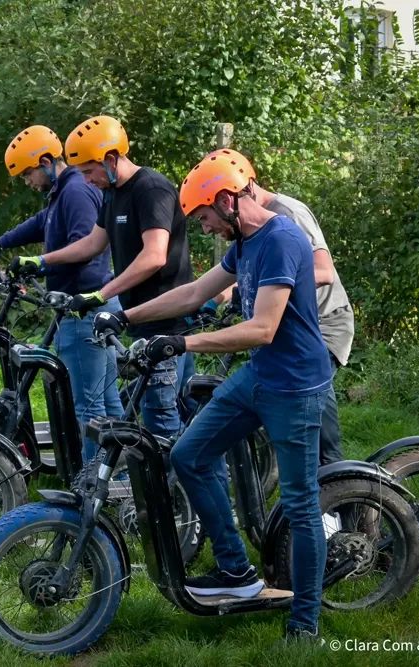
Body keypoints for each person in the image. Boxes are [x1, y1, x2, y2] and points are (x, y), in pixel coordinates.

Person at [93, 150, 329, 643]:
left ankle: (304, 623)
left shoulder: (282, 239)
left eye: (203, 217)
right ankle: (237, 574)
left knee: (301, 503)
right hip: (261, 376)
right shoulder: (243, 242)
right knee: (190, 455)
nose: (203, 228)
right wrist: (126, 315)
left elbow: (263, 328)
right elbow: (196, 292)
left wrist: (182, 342)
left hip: (295, 387)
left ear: (226, 201)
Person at [11, 116, 192, 441]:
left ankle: (183, 488)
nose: (86, 180)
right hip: (137, 319)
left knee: (165, 427)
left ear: (110, 159)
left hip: (165, 324)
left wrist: (100, 294)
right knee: (149, 420)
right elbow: (94, 242)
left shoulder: (151, 189)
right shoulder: (113, 193)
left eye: (88, 171)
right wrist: (40, 261)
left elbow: (155, 255)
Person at [182, 150, 352, 464]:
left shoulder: (286, 215)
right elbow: (239, 277)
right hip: (286, 326)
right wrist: (211, 300)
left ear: (229, 195)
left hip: (322, 324)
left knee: (318, 437)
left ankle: (346, 500)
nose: (207, 227)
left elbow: (323, 272)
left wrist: (264, 289)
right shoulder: (249, 232)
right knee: (305, 432)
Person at [0, 125, 121, 463]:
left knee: (89, 405)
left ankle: (93, 483)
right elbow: (41, 223)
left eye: (27, 173)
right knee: (107, 401)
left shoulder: (76, 192)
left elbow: (85, 246)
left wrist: (39, 263)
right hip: (83, 307)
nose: (27, 181)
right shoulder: (62, 192)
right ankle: (121, 477)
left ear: (44, 161)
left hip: (82, 307)